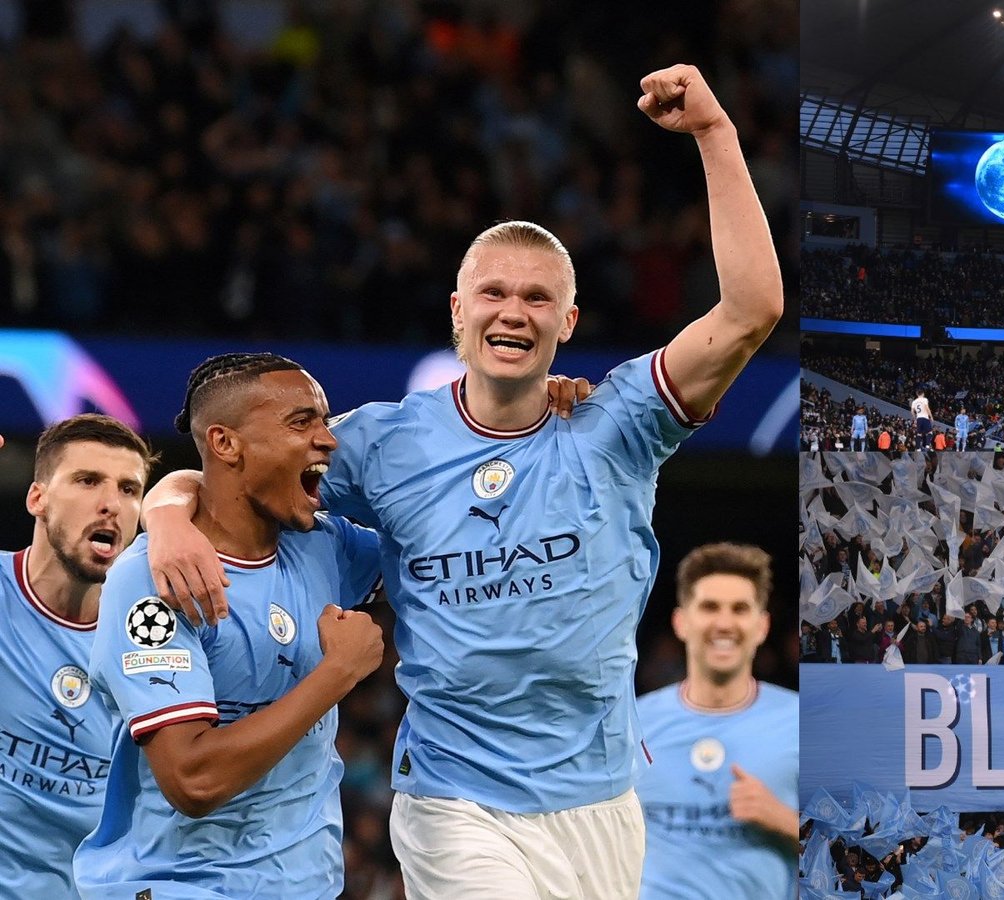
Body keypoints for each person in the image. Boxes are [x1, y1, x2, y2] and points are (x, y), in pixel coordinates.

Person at [142, 64, 783, 897]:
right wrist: (165, 511)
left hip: (600, 799)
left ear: (569, 321)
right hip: (454, 796)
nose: (512, 311)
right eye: (493, 293)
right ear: (456, 311)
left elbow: (752, 309)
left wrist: (715, 135)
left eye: (537, 297)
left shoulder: (619, 422)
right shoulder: (381, 442)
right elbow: (236, 472)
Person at [75, 354, 385, 899]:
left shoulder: (323, 545)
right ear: (225, 443)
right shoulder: (153, 582)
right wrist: (336, 674)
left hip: (310, 888)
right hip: (185, 886)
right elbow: (194, 780)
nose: (328, 439)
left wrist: (543, 412)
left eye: (324, 420)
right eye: (301, 422)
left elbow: (444, 542)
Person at [0, 415, 154, 897]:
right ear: (37, 498)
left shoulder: (157, 639)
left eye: (130, 489)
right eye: (87, 481)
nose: (111, 504)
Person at [637, 543, 797, 900]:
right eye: (710, 607)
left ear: (762, 625)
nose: (724, 623)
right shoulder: (632, 725)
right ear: (681, 621)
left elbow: (860, 848)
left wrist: (785, 820)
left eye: (739, 609)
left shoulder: (803, 723)